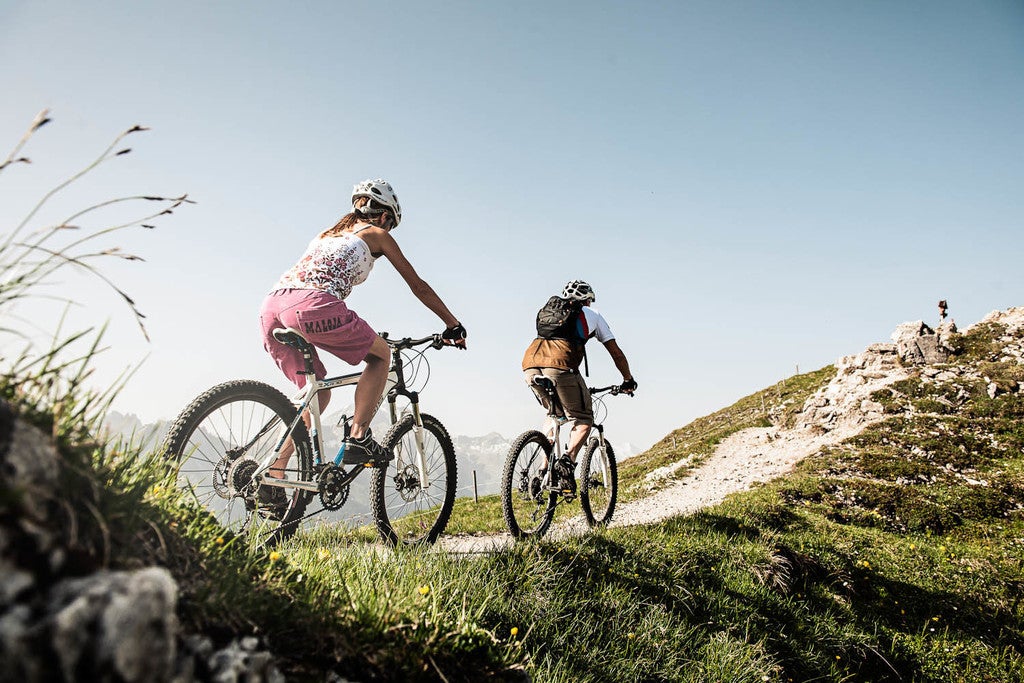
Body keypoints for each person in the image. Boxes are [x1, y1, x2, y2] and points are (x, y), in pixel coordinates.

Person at [259, 179, 466, 504]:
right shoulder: (376, 235)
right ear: (384, 217)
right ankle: (358, 437)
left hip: (272, 307)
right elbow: (418, 285)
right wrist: (452, 324)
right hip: (311, 305)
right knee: (380, 356)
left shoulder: (328, 234)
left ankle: (275, 471)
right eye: (391, 224)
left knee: (317, 395)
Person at [521, 279, 636, 495]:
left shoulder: (550, 311)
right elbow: (616, 353)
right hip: (560, 366)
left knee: (554, 414)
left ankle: (542, 470)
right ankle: (567, 463)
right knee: (583, 418)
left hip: (530, 364)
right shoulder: (592, 315)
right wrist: (628, 379)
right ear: (587, 300)